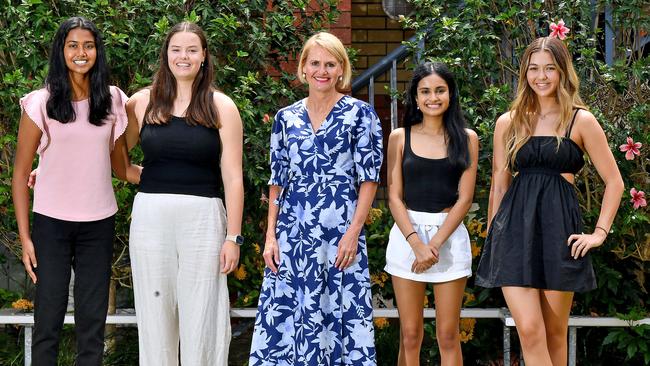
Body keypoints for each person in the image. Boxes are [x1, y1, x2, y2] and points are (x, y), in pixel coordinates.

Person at [476, 36, 624, 365]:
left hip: (560, 229)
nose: (541, 76)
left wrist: (599, 233)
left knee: (555, 333)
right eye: (533, 69)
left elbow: (615, 182)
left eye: (549, 69)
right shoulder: (508, 122)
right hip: (514, 231)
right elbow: (499, 185)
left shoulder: (580, 120)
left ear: (562, 72)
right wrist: (492, 238)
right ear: (524, 73)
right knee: (529, 330)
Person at [248, 31, 383, 365]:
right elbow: (277, 181)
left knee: (339, 313)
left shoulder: (360, 115)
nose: (323, 70)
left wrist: (354, 233)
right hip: (293, 233)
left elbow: (369, 180)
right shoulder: (285, 118)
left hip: (341, 232)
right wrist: (270, 237)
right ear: (303, 68)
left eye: (331, 64)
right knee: (290, 313)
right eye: (316, 63)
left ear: (341, 70)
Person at [11, 16, 136, 365]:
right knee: (47, 318)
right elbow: (20, 174)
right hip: (51, 224)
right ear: (60, 51)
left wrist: (170, 177)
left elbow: (120, 167)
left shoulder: (112, 101)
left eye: (88, 45)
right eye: (73, 45)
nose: (81, 53)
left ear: (97, 51)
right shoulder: (40, 103)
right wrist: (26, 239)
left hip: (99, 224)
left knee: (92, 324)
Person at [124, 22, 244, 365]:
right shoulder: (142, 101)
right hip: (150, 219)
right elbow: (112, 154)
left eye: (192, 50)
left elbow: (233, 177)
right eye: (176, 49)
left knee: (202, 313)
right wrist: (136, 176)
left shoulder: (222, 107)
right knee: (155, 311)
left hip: (203, 220)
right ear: (166, 54)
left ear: (204, 56)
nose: (184, 56)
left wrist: (233, 237)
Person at [384, 62, 478, 366]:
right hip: (407, 236)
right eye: (425, 91)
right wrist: (417, 244)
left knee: (448, 335)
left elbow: (465, 199)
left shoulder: (467, 138)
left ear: (450, 94)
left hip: (447, 237)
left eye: (440, 90)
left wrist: (434, 244)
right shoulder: (400, 137)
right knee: (410, 334)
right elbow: (394, 197)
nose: (432, 97)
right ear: (415, 96)